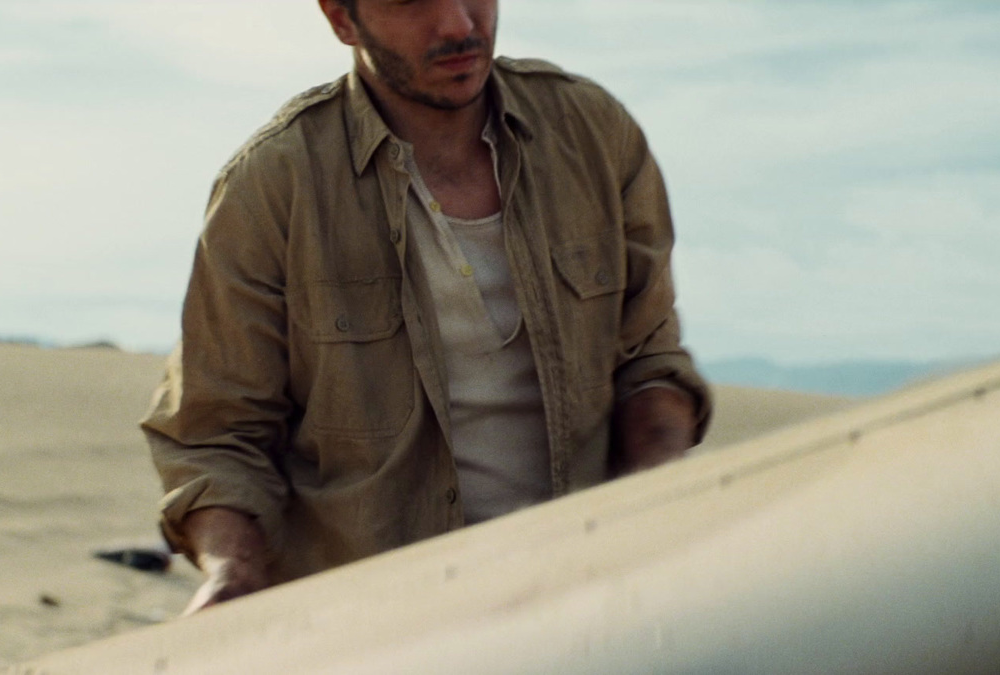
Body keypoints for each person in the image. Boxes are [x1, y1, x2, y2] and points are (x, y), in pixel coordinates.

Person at [141, 0, 711, 615]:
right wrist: (235, 575)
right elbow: (217, 436)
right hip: (381, 623)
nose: (460, 26)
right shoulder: (272, 186)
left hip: (587, 597)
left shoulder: (593, 135)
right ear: (341, 19)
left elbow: (649, 360)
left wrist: (650, 507)